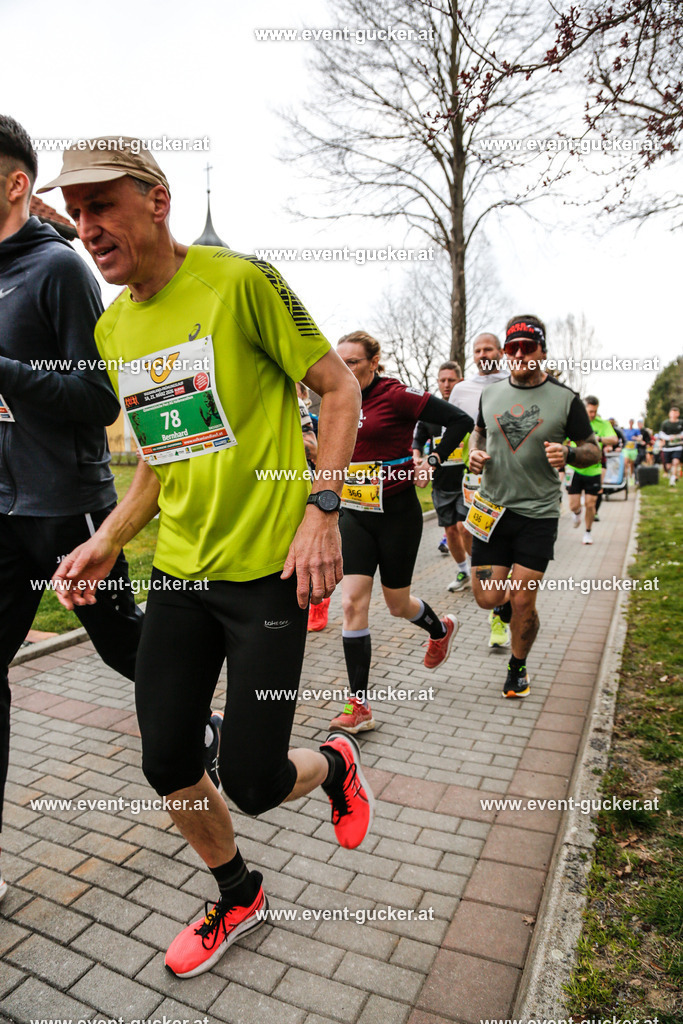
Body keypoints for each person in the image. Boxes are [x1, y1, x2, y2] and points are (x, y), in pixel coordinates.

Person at [45, 137, 373, 978]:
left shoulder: (240, 282)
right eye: (76, 213)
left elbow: (337, 387)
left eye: (102, 205)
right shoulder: (115, 325)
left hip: (268, 574)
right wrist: (105, 540)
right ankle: (237, 893)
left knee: (257, 782)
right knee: (166, 760)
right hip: (182, 578)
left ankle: (335, 760)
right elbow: (160, 457)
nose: (88, 226)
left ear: (156, 199)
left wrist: (322, 509)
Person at [328, 332, 473, 734]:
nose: (345, 369)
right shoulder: (335, 396)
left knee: (396, 604)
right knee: (352, 603)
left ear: (374, 362)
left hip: (396, 515)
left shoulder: (395, 395)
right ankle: (359, 706)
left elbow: (461, 421)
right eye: (339, 362)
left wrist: (434, 458)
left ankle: (440, 629)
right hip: (353, 515)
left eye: (353, 362)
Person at [468, 315, 600, 698]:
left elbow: (592, 450)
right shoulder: (490, 394)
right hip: (491, 511)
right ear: (506, 352)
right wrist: (475, 454)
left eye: (528, 346)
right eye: (513, 347)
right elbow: (479, 432)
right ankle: (503, 609)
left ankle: (517, 666)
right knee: (488, 597)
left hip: (538, 515)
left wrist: (571, 452)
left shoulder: (565, 399)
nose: (520, 353)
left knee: (524, 600)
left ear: (542, 351)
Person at [448, 333, 510, 647]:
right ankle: (496, 593)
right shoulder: (461, 389)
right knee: (467, 532)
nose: (483, 353)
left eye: (488, 348)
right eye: (477, 350)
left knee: (504, 547)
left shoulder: (514, 382)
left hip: (512, 483)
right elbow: (452, 427)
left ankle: (500, 613)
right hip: (473, 480)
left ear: (500, 352)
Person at [412, 361, 471, 590]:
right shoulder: (431, 411)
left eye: (451, 380)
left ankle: (480, 570)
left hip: (466, 481)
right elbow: (418, 438)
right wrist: (417, 456)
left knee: (464, 528)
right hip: (441, 483)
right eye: (443, 380)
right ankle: (464, 572)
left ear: (460, 382)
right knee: (450, 531)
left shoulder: (469, 410)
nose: (446, 385)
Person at [566, 395, 619, 544]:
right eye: (590, 411)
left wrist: (598, 439)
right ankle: (577, 513)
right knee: (573, 505)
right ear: (584, 409)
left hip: (594, 469)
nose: (593, 414)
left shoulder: (602, 424)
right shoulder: (574, 422)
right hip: (575, 469)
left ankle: (587, 533)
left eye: (595, 411)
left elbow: (614, 439)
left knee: (591, 503)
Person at [659, 405, 682, 486]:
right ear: (670, 414)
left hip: (678, 446)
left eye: (675, 413)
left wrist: (680, 436)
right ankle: (670, 473)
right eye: (672, 413)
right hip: (668, 448)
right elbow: (661, 434)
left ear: (678, 414)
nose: (674, 415)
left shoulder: (681, 423)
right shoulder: (665, 423)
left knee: (675, 462)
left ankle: (673, 478)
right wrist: (669, 438)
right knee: (668, 466)